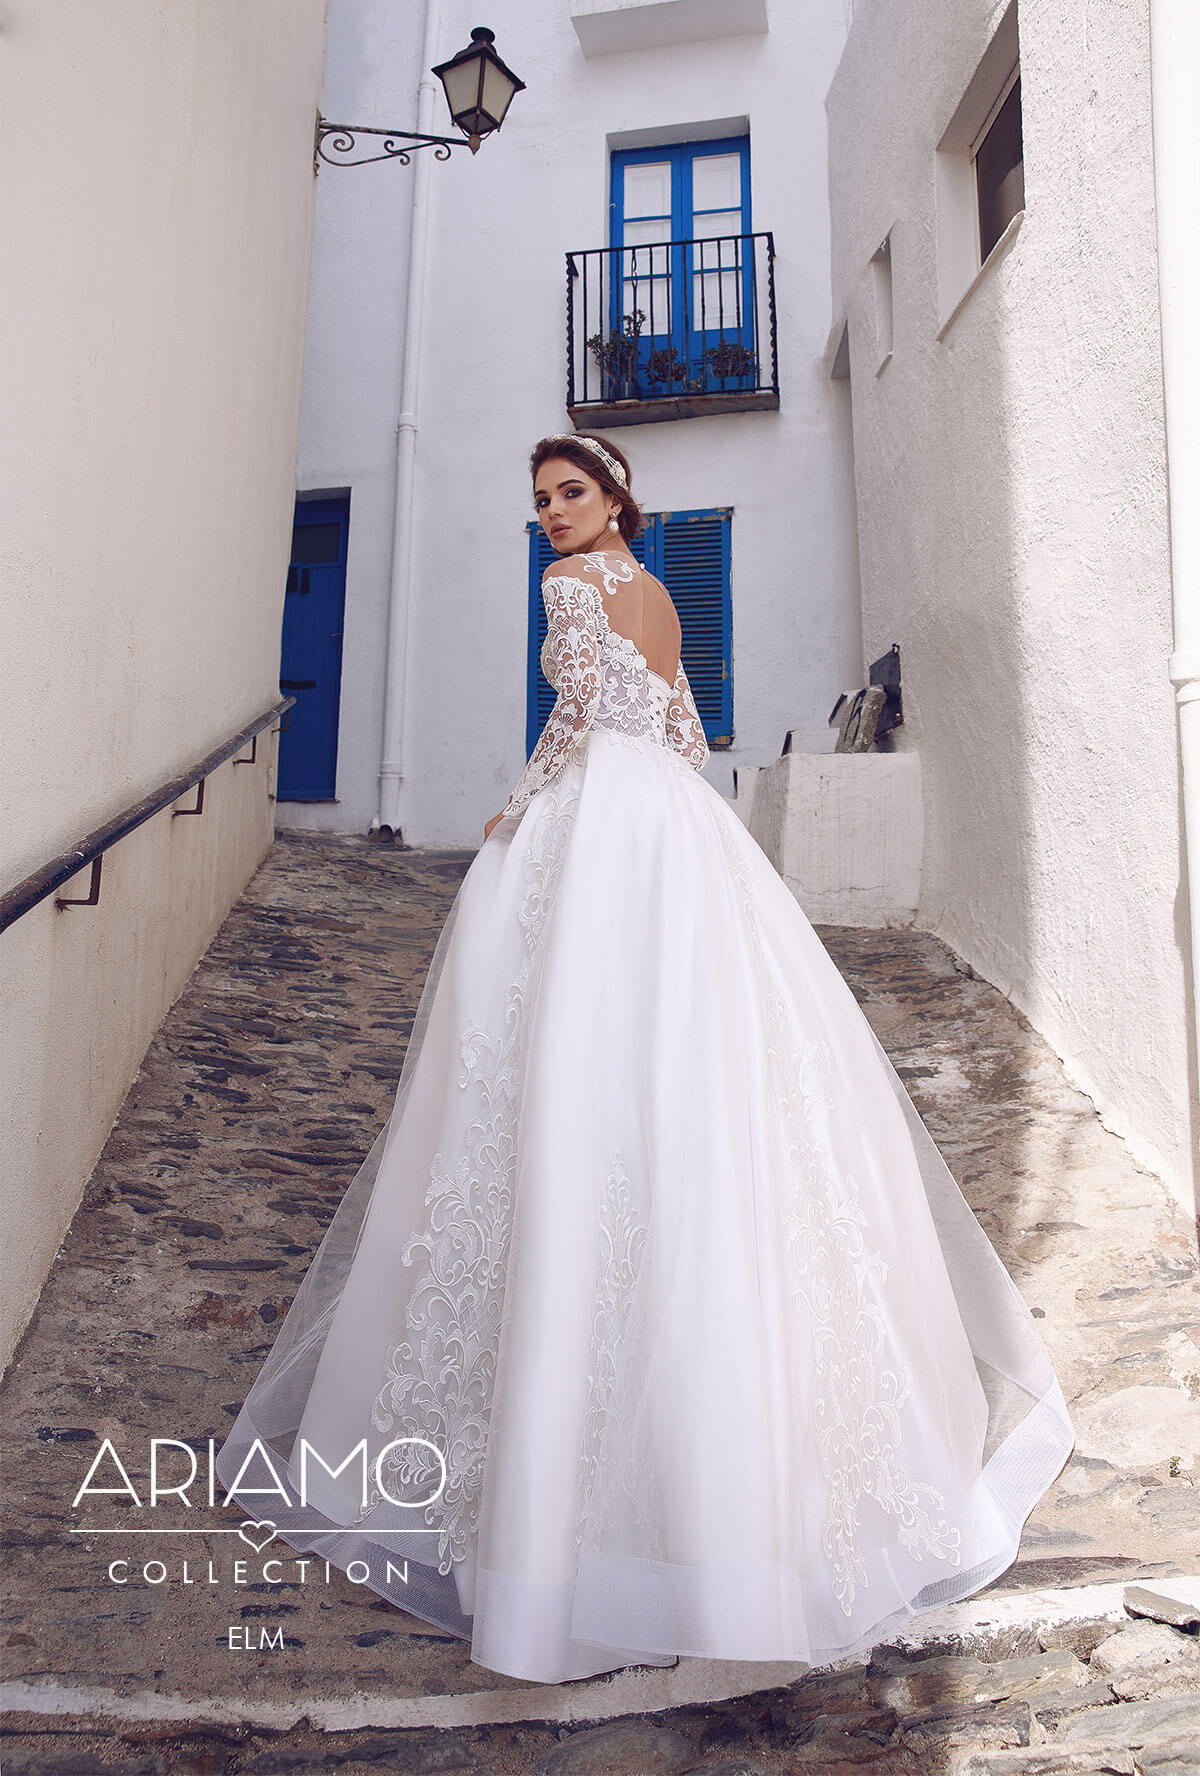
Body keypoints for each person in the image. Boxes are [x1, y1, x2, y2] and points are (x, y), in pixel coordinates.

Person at [215, 431, 1074, 1686]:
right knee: (704, 1063)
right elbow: (681, 728)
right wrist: (664, 820)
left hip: (601, 818)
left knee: (563, 1052)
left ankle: (547, 1512)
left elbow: (576, 717)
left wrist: (518, 810)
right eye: (542, 500)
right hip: (675, 827)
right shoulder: (662, 593)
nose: (553, 514)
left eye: (571, 493)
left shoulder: (571, 586)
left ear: (615, 497)